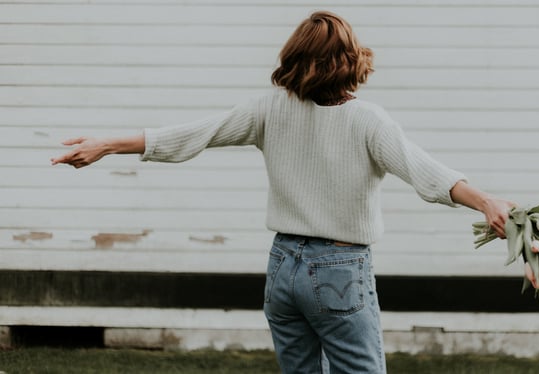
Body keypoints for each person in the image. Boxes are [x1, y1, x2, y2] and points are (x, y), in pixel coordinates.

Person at [51, 10, 514, 374]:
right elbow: (429, 175)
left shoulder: (269, 109)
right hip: (338, 270)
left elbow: (193, 135)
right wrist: (487, 201)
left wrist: (108, 145)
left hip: (282, 269)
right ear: (351, 60)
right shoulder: (368, 120)